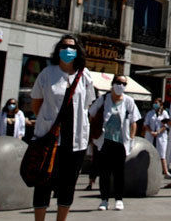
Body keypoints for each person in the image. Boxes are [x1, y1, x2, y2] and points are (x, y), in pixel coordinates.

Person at [29, 34, 96, 221]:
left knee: (68, 185)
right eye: (64, 46)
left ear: (78, 52)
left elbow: (87, 104)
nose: (68, 50)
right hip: (49, 139)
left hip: (75, 141)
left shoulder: (84, 75)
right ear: (58, 50)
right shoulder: (47, 73)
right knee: (43, 183)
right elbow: (36, 103)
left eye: (72, 47)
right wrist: (47, 123)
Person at [89, 75, 140, 211]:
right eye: (118, 82)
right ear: (112, 83)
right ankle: (104, 200)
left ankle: (119, 199)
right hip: (104, 141)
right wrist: (94, 131)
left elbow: (134, 121)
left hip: (121, 142)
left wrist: (131, 137)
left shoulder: (129, 101)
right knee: (104, 172)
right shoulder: (103, 99)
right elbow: (92, 113)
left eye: (124, 84)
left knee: (119, 172)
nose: (121, 86)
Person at [142, 99, 171, 178]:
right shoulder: (150, 113)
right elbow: (146, 124)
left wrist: (158, 132)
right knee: (149, 154)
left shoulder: (164, 113)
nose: (155, 104)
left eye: (156, 103)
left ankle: (165, 172)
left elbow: (166, 125)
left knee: (162, 155)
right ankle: (148, 171)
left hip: (160, 136)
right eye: (154, 103)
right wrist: (151, 132)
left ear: (160, 104)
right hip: (151, 135)